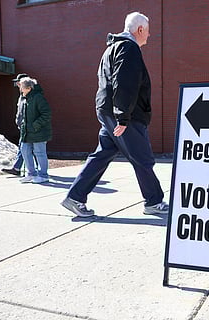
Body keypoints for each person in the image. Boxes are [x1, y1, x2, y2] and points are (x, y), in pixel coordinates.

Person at [61, 12, 169, 218]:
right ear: (139, 30)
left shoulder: (111, 49)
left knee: (102, 154)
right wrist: (123, 117)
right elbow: (124, 83)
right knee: (142, 158)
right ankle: (154, 202)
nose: (149, 35)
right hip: (124, 114)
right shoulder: (129, 48)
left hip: (107, 111)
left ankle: (75, 197)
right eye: (147, 31)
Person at [19, 77, 52, 184]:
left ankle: (43, 175)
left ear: (29, 88)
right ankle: (31, 174)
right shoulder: (25, 99)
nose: (20, 88)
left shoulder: (38, 98)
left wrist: (35, 125)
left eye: (21, 86)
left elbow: (46, 114)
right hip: (27, 132)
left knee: (40, 153)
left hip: (38, 132)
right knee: (25, 150)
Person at [2, 73, 35, 176]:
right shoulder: (22, 96)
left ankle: (36, 170)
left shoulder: (30, 96)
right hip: (23, 126)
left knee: (28, 148)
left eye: (18, 83)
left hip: (28, 127)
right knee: (24, 147)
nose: (17, 85)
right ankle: (18, 168)